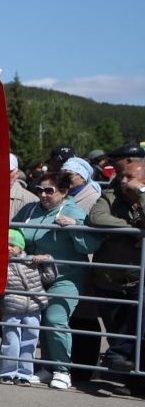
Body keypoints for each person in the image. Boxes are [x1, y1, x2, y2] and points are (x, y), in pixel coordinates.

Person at [15, 169, 100, 390]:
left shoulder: (74, 211)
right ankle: (48, 367)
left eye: (49, 190)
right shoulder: (29, 209)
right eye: (40, 190)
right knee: (40, 320)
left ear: (63, 191)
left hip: (66, 277)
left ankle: (63, 370)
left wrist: (74, 227)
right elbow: (13, 232)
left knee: (54, 319)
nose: (43, 195)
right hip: (34, 276)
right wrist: (16, 247)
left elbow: (90, 245)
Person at [85, 159, 143, 377]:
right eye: (122, 175)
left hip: (139, 276)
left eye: (129, 177)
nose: (122, 179)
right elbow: (96, 217)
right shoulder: (111, 195)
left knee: (138, 326)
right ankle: (124, 372)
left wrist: (143, 193)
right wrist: (135, 230)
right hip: (109, 277)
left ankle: (128, 370)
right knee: (116, 328)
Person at [0, 230, 46, 384]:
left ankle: (24, 374)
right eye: (5, 245)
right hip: (11, 308)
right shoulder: (0, 262)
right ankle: (6, 372)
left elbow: (49, 277)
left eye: (13, 245)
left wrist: (47, 261)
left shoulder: (32, 260)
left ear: (21, 247)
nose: (9, 248)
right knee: (10, 340)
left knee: (30, 341)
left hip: (33, 307)